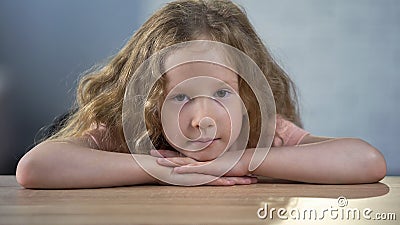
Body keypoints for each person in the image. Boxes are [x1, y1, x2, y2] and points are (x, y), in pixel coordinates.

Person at [16, 0, 386, 189]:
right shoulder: (138, 133)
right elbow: (35, 167)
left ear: (246, 95)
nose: (202, 118)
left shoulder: (265, 134)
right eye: (181, 97)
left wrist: (243, 161)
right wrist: (162, 170)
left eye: (222, 92)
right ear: (151, 99)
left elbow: (366, 161)